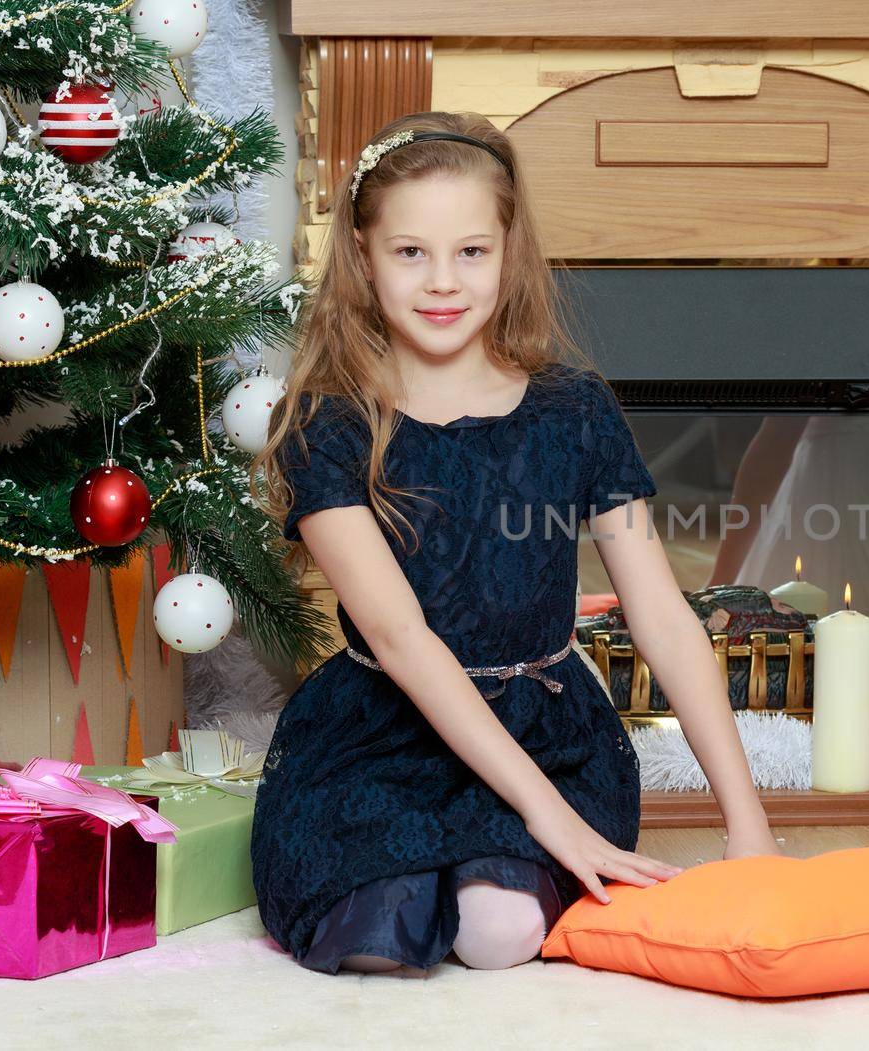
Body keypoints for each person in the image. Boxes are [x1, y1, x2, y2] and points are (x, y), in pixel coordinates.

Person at [250, 111, 778, 977]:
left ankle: (501, 866)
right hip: (385, 726)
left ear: (508, 249)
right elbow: (401, 637)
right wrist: (549, 820)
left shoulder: (574, 409)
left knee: (497, 935)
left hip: (544, 728)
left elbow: (665, 620)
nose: (442, 281)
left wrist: (747, 821)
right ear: (362, 254)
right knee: (381, 933)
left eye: (471, 251)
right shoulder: (329, 421)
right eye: (410, 252)